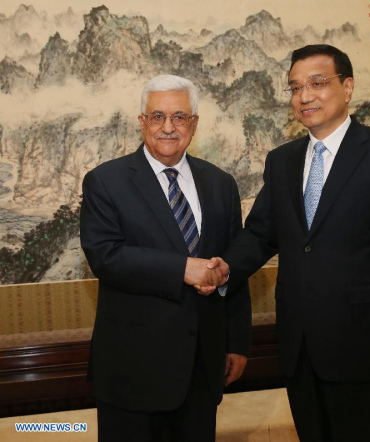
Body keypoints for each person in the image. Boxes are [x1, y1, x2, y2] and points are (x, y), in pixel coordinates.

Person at [214, 44, 370, 441]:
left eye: (317, 83)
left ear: (347, 87)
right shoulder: (282, 160)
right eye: (295, 88)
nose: (305, 96)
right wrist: (223, 269)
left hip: (368, 346)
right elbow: (262, 233)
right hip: (300, 346)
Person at [80, 74, 251, 442]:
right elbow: (105, 257)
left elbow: (233, 265)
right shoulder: (105, 181)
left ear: (194, 123)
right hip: (132, 370)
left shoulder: (221, 184)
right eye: (157, 117)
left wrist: (236, 342)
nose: (168, 127)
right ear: (142, 122)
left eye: (179, 117)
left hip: (203, 367)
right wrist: (182, 269)